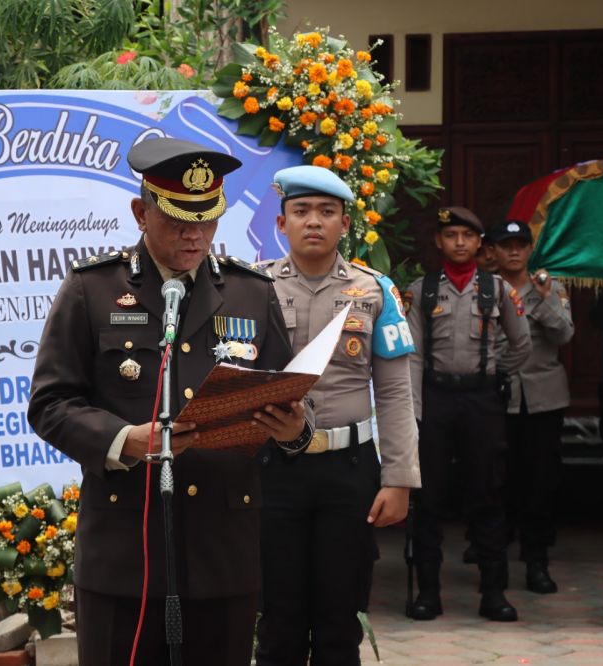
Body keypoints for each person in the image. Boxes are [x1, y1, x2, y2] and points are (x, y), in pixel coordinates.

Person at [27, 137, 313, 664]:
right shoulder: (93, 289)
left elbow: (290, 399)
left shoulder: (251, 291)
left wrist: (294, 431)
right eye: (179, 219)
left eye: (207, 220)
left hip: (221, 553)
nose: (194, 234)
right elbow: (51, 403)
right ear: (141, 212)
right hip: (125, 553)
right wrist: (124, 440)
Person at [256, 166, 419, 665]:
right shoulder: (250, 287)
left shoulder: (375, 291)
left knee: (338, 620)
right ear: (281, 224)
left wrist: (399, 479)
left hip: (348, 471)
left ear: (345, 224)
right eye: (301, 211)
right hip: (272, 469)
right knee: (277, 620)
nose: (314, 222)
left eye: (327, 212)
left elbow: (395, 392)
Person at [404, 206, 531, 622]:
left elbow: (521, 344)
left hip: (482, 401)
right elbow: (414, 354)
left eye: (467, 236)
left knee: (488, 492)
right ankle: (428, 593)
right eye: (451, 235)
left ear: (480, 244)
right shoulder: (421, 290)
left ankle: (493, 593)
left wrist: (494, 375)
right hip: (436, 398)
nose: (459, 242)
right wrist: (416, 412)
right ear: (438, 242)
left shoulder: (497, 290)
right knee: (428, 497)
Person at [488, 219, 574, 594]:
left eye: (520, 244)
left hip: (543, 399)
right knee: (498, 480)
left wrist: (538, 298)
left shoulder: (550, 286)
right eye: (506, 245)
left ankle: (536, 560)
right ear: (493, 250)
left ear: (529, 249)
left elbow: (564, 333)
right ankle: (493, 557)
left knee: (541, 483)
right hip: (498, 397)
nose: (513, 251)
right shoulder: (483, 289)